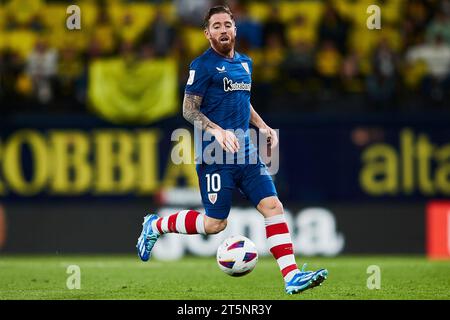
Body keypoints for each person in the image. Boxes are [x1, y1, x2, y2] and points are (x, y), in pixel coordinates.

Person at [136, 5, 328, 295]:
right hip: (214, 156)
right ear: (207, 33)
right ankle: (156, 225)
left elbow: (243, 101)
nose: (223, 30)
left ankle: (291, 277)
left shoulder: (245, 64)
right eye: (216, 26)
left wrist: (262, 126)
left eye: (227, 24)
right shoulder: (201, 65)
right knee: (215, 224)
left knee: (273, 207)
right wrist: (217, 130)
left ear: (235, 29)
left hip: (246, 153)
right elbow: (189, 110)